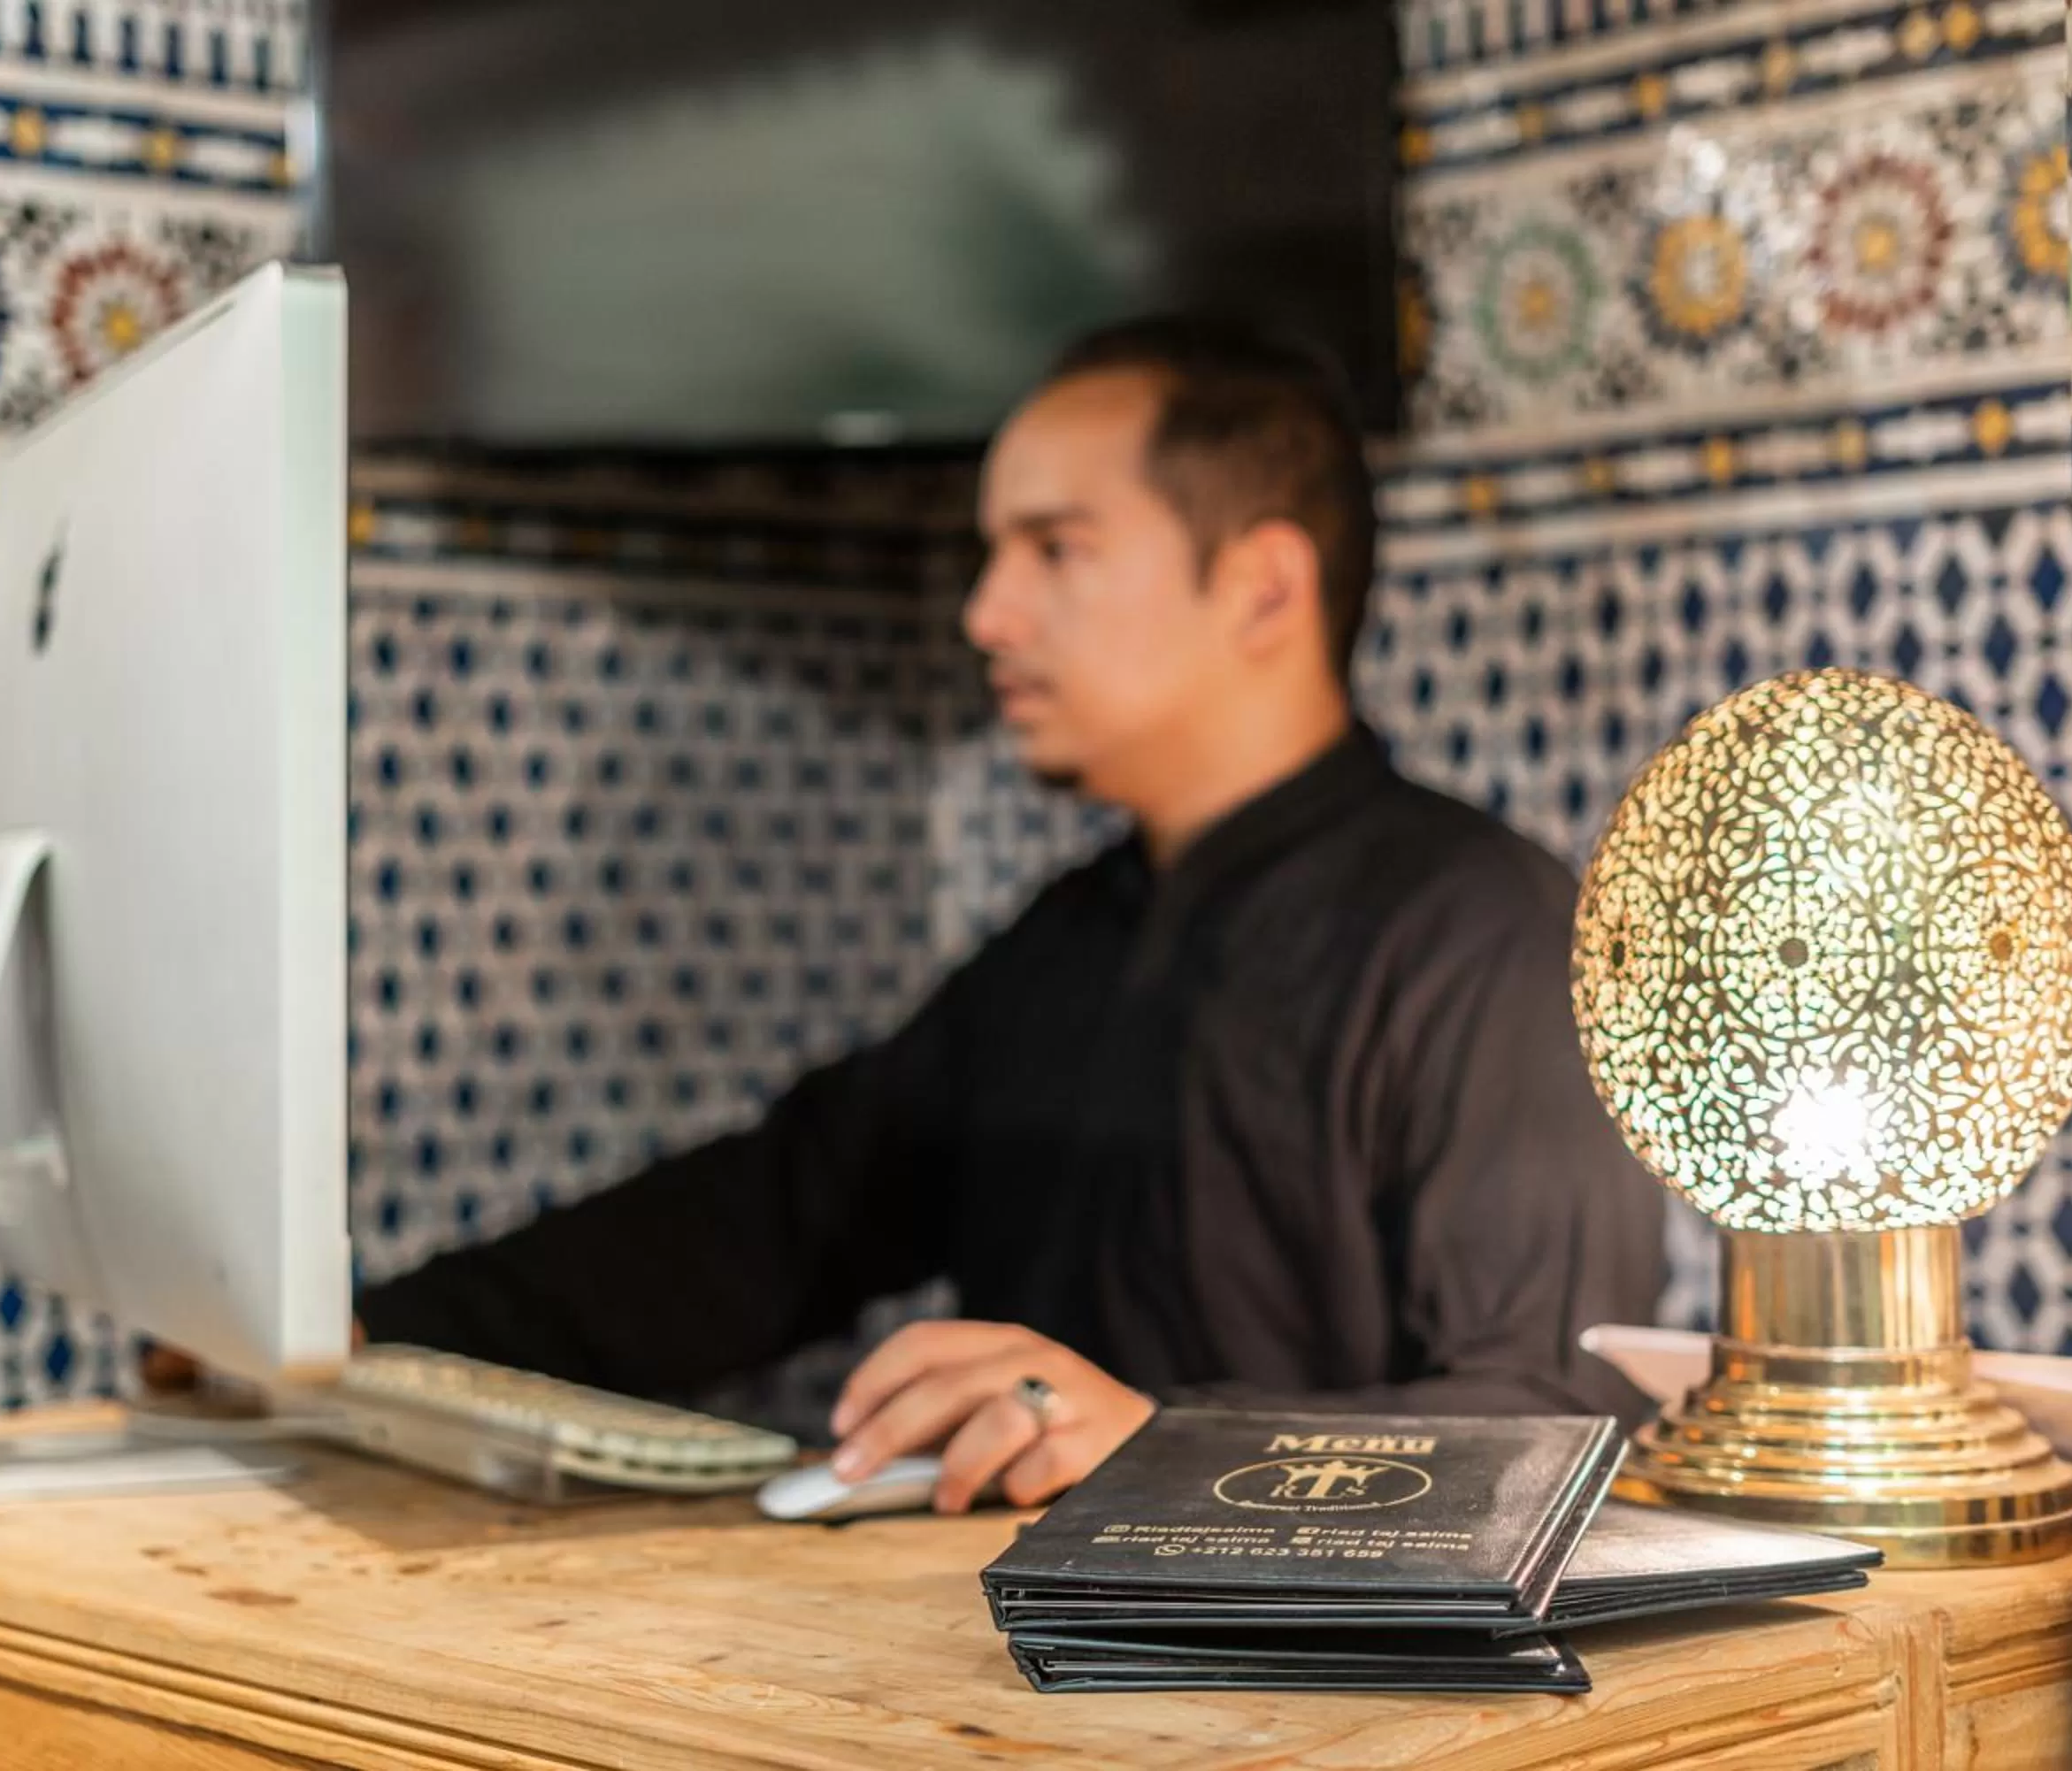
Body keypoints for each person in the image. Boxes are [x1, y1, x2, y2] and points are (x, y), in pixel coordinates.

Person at [353, 318, 1663, 1511]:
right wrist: (365, 1344)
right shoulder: (1069, 938)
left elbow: (1563, 1415)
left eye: (1057, 549)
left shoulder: (1482, 933)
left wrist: (1159, 1440)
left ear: (1264, 586)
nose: (988, 613)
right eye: (995, 556)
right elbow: (775, 1218)